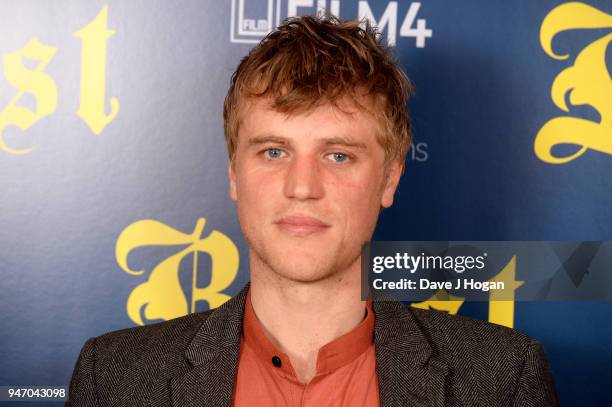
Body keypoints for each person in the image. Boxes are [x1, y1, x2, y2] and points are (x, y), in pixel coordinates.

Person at [66, 15, 559, 407]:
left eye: (338, 155)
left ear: (389, 178)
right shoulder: (113, 378)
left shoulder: (502, 380)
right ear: (234, 174)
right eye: (274, 151)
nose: (302, 187)